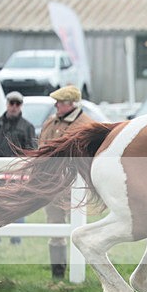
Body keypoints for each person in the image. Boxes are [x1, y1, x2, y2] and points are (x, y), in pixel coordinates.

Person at [39, 85, 96, 280]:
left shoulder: (86, 125)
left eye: (60, 102)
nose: (56, 105)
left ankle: (81, 273)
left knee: (80, 230)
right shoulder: (50, 123)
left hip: (76, 186)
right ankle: (58, 275)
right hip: (51, 186)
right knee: (55, 226)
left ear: (70, 104)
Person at [0, 91, 37, 245]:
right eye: (11, 103)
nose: (14, 107)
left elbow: (32, 150)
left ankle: (16, 238)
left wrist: (24, 169)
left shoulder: (27, 127)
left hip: (16, 173)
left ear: (21, 106)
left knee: (17, 205)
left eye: (17, 104)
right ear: (7, 104)